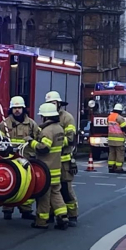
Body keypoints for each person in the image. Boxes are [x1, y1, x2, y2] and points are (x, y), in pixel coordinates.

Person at [0, 96, 39, 221]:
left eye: (19, 108)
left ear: (23, 109)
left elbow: (39, 137)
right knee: (10, 184)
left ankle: (26, 210)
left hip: (26, 159)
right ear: (11, 109)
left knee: (28, 185)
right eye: (15, 108)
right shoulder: (4, 123)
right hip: (9, 161)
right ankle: (7, 210)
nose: (17, 110)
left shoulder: (31, 123)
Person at [31, 102, 68, 230]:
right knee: (56, 193)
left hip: (45, 170)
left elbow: (44, 148)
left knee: (43, 197)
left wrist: (32, 142)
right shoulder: (59, 128)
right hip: (56, 168)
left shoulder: (47, 131)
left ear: (46, 117)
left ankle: (41, 221)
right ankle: (62, 216)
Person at [46, 91, 79, 226]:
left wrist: (55, 141)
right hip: (50, 160)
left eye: (53, 103)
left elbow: (70, 138)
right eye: (49, 103)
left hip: (64, 160)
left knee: (65, 189)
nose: (51, 106)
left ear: (59, 104)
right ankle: (51, 214)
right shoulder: (45, 117)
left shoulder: (67, 118)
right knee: (49, 189)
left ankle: (72, 215)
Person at [107, 103, 126, 173]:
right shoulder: (120, 118)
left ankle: (111, 167)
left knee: (112, 154)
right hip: (119, 140)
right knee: (119, 154)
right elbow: (124, 128)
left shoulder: (109, 117)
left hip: (111, 139)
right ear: (120, 111)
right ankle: (118, 168)